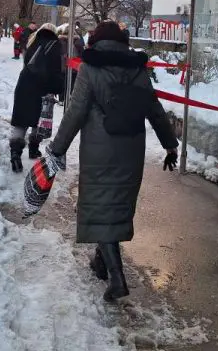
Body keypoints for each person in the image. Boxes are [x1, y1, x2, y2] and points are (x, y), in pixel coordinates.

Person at [43, 21, 179, 302]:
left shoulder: (90, 68)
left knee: (100, 207)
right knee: (115, 207)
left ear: (97, 41)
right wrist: (169, 145)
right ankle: (100, 263)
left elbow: (75, 113)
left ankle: (118, 279)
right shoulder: (138, 69)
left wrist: (57, 148)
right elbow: (154, 110)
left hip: (99, 151)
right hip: (131, 151)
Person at [10, 23, 63, 172]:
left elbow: (27, 63)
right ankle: (33, 149)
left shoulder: (32, 41)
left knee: (20, 122)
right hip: (42, 87)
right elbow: (55, 70)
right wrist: (58, 88)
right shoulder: (54, 44)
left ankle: (15, 153)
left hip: (24, 85)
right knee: (39, 120)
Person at [56, 23, 85, 104]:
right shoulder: (61, 40)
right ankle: (64, 98)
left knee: (66, 82)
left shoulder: (76, 40)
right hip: (70, 64)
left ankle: (64, 99)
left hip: (67, 64)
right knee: (69, 82)